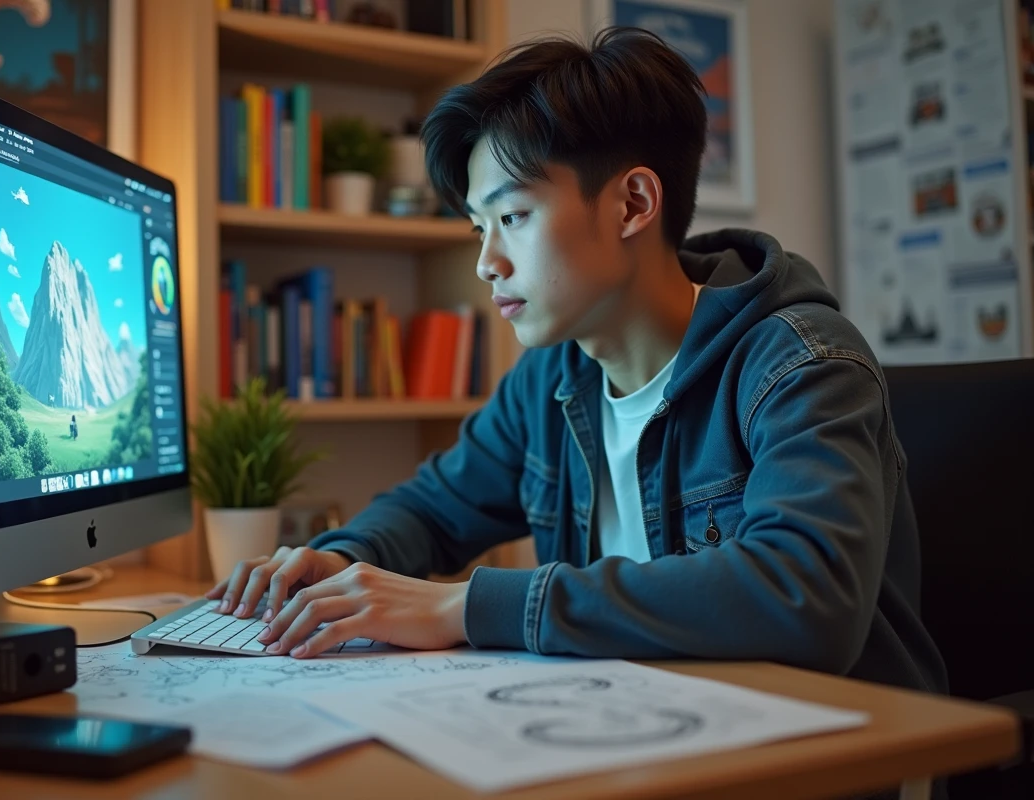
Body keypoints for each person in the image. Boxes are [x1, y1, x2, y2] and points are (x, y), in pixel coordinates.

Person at [205, 27, 948, 700]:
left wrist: (467, 605)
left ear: (632, 203)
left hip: (839, 757)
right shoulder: (551, 381)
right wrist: (343, 560)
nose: (487, 264)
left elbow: (805, 596)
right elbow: (431, 509)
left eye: (515, 217)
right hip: (656, 735)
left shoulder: (800, 362)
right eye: (478, 228)